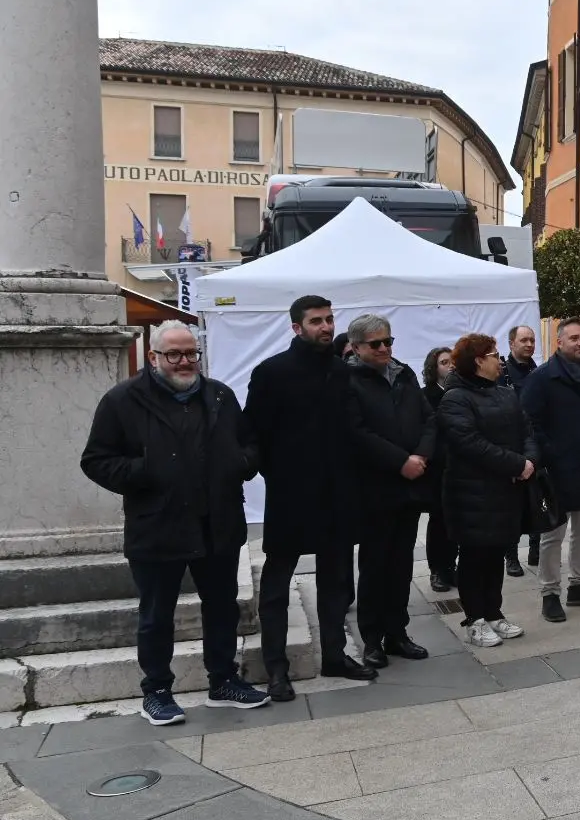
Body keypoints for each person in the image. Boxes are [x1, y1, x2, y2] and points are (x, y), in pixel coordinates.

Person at [81, 321, 269, 725]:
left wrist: (241, 463)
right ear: (154, 357)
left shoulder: (219, 395)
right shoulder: (122, 400)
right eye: (174, 354)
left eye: (191, 354)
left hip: (216, 521)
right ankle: (157, 691)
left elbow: (250, 443)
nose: (185, 362)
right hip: (157, 525)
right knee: (156, 614)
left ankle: (223, 680)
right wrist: (146, 472)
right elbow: (96, 460)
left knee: (222, 608)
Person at [245, 295, 374, 698]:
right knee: (276, 586)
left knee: (336, 581)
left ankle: (335, 655)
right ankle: (276, 669)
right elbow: (254, 434)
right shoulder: (271, 373)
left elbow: (352, 430)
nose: (326, 327)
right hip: (291, 495)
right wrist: (279, 475)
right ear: (297, 327)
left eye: (330, 319)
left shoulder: (341, 371)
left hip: (337, 495)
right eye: (317, 320)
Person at [344, 315, 433, 669]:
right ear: (356, 347)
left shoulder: (404, 374)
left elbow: (429, 418)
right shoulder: (348, 380)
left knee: (400, 564)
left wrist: (422, 455)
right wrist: (400, 461)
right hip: (376, 487)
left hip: (410, 486)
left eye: (388, 341)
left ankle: (398, 632)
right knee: (375, 564)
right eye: (376, 344)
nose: (384, 348)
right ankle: (371, 638)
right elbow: (356, 433)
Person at [437, 333, 534, 645]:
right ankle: (474, 618)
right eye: (494, 354)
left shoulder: (505, 393)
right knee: (475, 556)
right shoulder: (455, 398)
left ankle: (494, 613)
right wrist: (514, 464)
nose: (499, 359)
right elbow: (468, 443)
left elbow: (526, 429)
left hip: (505, 489)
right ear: (478, 361)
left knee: (496, 553)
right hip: (471, 492)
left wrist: (529, 460)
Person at [521, 317, 580, 622]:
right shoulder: (542, 378)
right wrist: (551, 455)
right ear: (559, 343)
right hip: (558, 470)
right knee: (553, 535)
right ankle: (550, 593)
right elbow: (530, 424)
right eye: (573, 338)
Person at [501, 324, 541, 576]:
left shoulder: (538, 370)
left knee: (539, 501)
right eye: (524, 340)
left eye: (532, 340)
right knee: (512, 505)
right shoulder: (503, 374)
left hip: (537, 443)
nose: (529, 344)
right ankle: (511, 556)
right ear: (511, 344)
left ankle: (536, 551)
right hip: (514, 444)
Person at [420, 346, 458, 593]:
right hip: (437, 468)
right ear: (434, 370)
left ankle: (451, 567)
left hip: (459, 467)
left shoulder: (462, 393)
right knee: (439, 522)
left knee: (455, 521)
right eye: (445, 362)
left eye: (453, 361)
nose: (451, 365)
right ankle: (437, 570)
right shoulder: (425, 396)